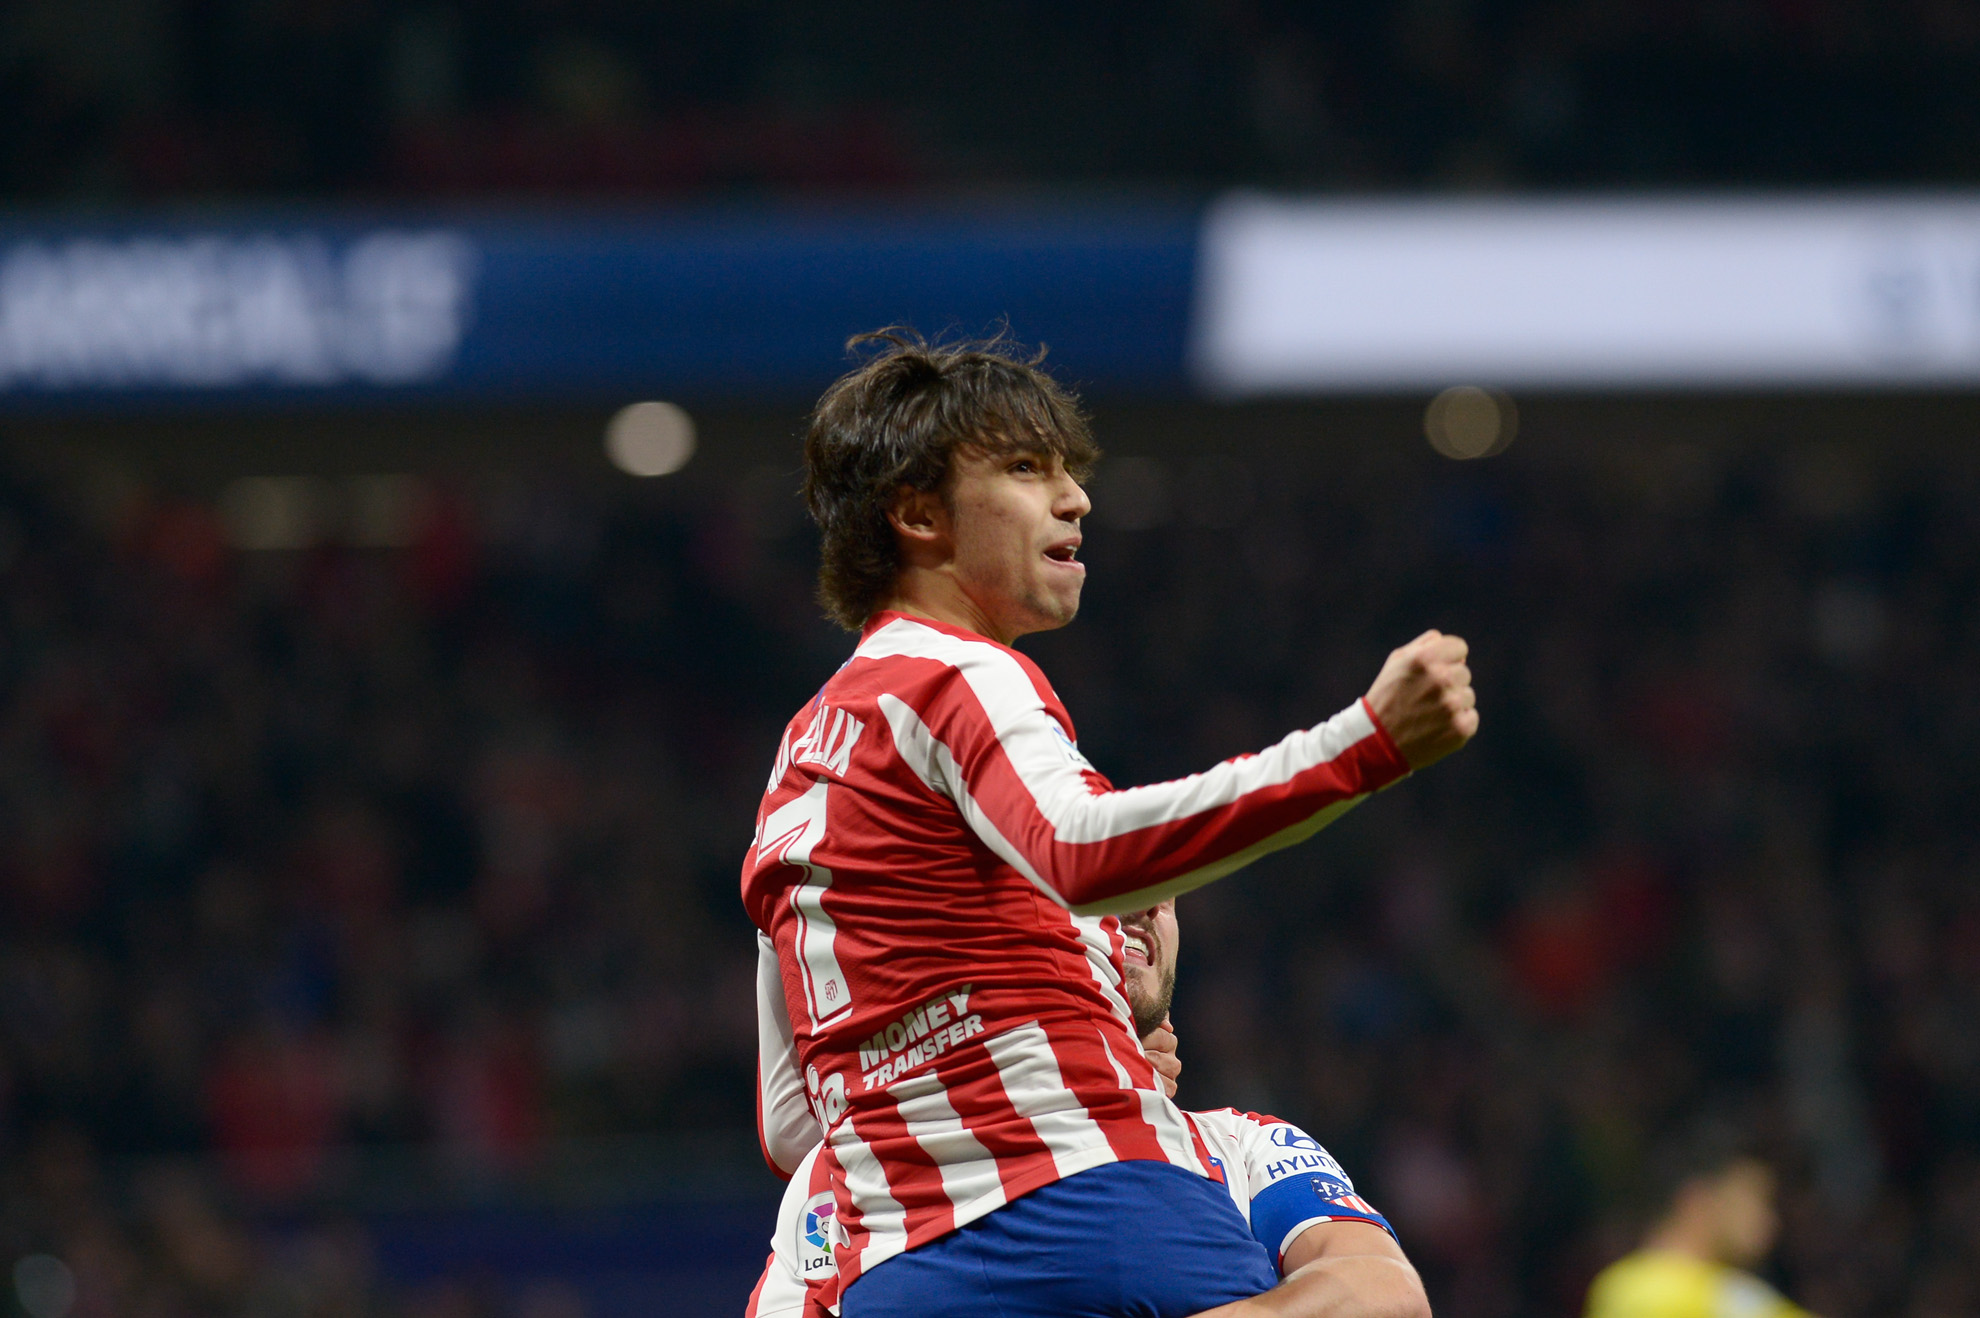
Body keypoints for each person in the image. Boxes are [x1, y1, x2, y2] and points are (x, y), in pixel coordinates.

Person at [742, 330, 1477, 1317]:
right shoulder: (955, 672)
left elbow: (795, 1121)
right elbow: (1082, 851)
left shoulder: (800, 764)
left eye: (1068, 470)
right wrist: (1364, 744)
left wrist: (1092, 1020)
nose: (1076, 497)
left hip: (901, 1266)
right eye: (1023, 467)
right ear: (917, 514)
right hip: (1090, 1203)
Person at [747, 899, 1431, 1318]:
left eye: (1159, 896)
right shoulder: (896, 1154)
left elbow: (1383, 1293)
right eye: (1103, 891)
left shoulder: (1244, 1144)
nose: (1141, 907)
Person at [1584, 1144, 1812, 1318]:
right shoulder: (1641, 1287)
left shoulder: (1723, 1290)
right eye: (1755, 1200)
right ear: (1697, 1201)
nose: (1769, 1219)